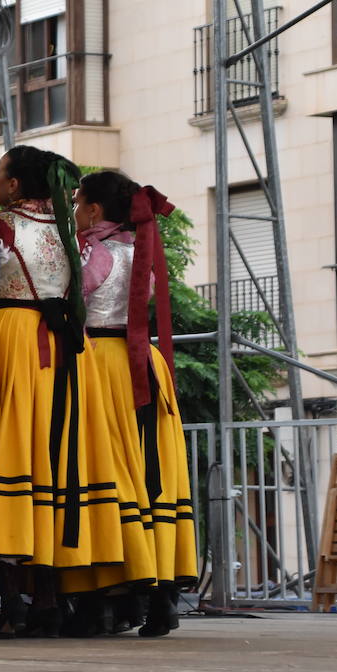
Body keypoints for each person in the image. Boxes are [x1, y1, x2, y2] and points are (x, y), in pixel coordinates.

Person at [0, 147, 126, 638]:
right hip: (66, 348)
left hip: (11, 338)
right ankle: (48, 597)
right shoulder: (73, 233)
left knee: (9, 460)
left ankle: (12, 603)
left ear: (16, 185)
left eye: (0, 173)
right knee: (54, 463)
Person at [72, 171, 198, 637]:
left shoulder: (93, 252)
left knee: (106, 471)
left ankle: (102, 602)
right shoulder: (138, 249)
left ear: (95, 210)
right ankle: (161, 598)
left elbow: (72, 303)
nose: (75, 211)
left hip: (104, 363)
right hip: (145, 363)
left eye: (79, 202)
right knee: (151, 475)